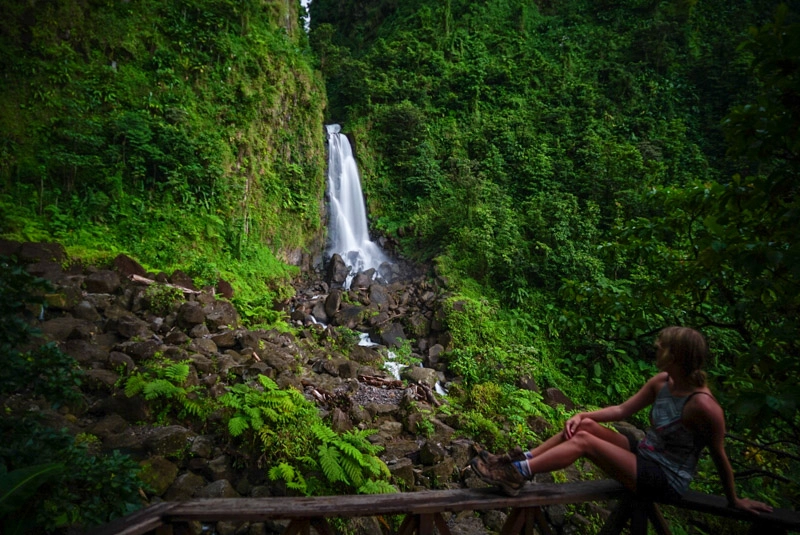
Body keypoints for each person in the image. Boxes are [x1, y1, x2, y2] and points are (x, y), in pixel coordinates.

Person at [470, 326, 773, 515]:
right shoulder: (663, 382)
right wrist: (582, 415)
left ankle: (516, 475)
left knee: (585, 442)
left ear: (677, 355)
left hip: (665, 478)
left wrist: (734, 500)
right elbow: (620, 411)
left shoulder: (704, 407)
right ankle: (516, 461)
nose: (656, 347)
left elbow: (719, 455)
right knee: (585, 428)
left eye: (662, 346)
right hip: (644, 453)